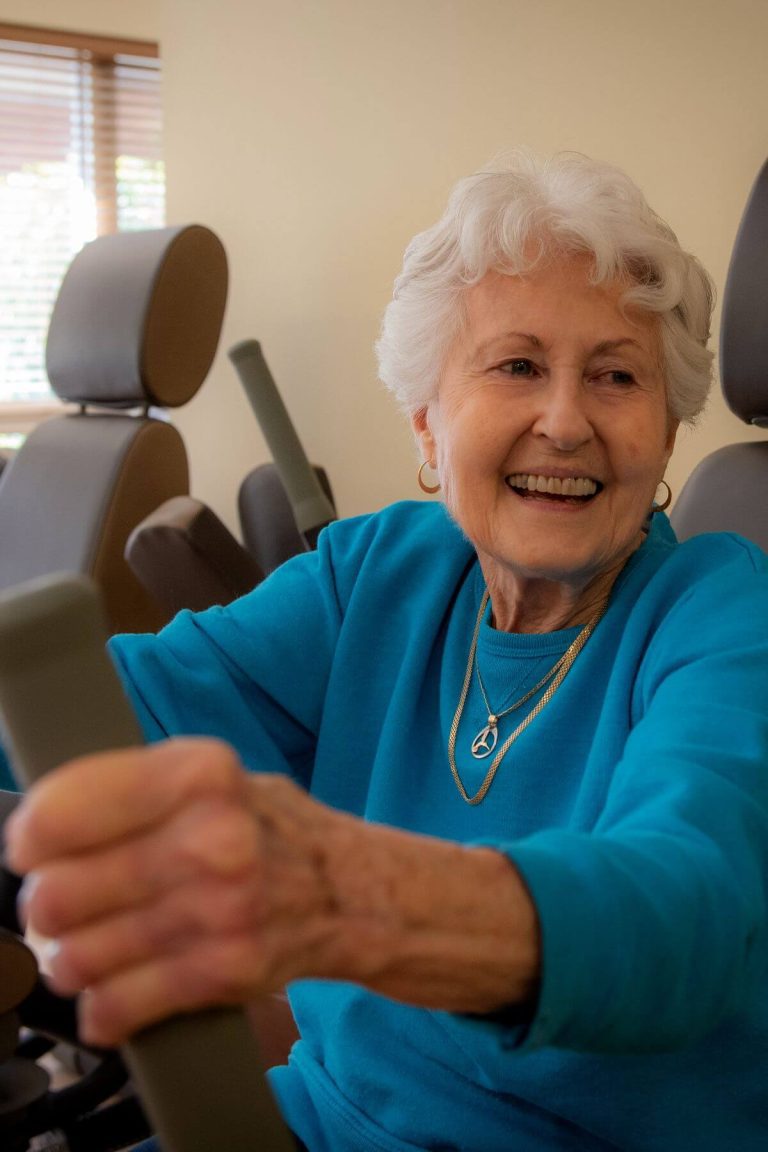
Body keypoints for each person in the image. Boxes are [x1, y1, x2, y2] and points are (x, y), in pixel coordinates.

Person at [4, 150, 768, 1152]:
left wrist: (354, 898)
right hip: (306, 1124)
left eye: (616, 377)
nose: (567, 420)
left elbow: (683, 911)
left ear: (664, 434)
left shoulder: (725, 613)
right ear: (426, 420)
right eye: (518, 365)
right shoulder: (379, 572)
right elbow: (102, 714)